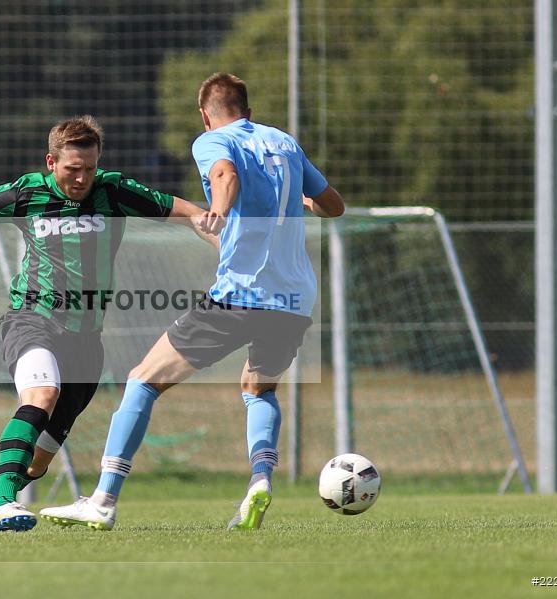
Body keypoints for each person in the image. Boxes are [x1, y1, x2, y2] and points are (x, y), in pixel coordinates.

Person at [40, 73, 344, 531]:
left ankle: (103, 499)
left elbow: (226, 173)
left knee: (143, 380)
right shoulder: (285, 142)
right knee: (258, 388)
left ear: (206, 115)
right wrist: (299, 200)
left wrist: (219, 206)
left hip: (241, 294)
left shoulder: (211, 141)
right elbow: (333, 205)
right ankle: (259, 481)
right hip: (295, 299)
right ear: (249, 108)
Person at [0, 115, 210, 533]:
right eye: (72, 169)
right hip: (32, 320)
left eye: (89, 168)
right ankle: (3, 505)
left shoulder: (113, 191)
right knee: (42, 392)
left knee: (38, 461)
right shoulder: (27, 192)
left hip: (87, 340)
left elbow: (187, 211)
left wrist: (225, 239)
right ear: (51, 161)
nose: (82, 178)